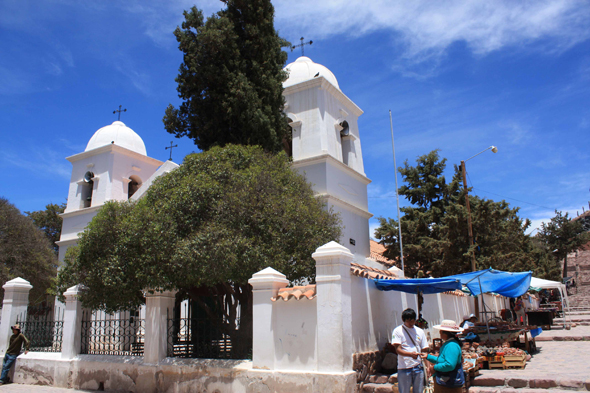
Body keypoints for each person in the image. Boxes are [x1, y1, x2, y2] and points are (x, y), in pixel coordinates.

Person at [420, 320, 464, 393]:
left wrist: (434, 367)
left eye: (441, 331)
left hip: (448, 386)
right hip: (446, 384)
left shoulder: (451, 345)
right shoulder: (449, 344)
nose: (439, 332)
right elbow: (442, 360)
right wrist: (428, 357)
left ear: (445, 333)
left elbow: (449, 365)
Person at [392, 308, 429, 393]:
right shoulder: (397, 331)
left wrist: (427, 366)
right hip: (404, 367)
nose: (411, 323)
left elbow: (424, 350)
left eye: (412, 321)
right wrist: (410, 354)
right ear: (404, 320)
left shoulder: (420, 331)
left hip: (418, 367)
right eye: (409, 321)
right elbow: (398, 349)